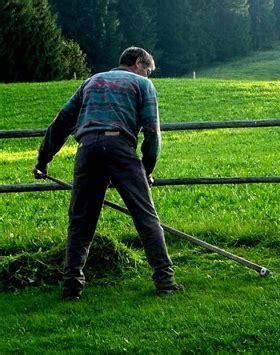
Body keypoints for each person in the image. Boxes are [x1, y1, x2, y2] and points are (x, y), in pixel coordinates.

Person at [33, 47, 182, 300]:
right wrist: (146, 170)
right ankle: (165, 282)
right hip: (120, 148)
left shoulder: (90, 82)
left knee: (81, 221)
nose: (149, 76)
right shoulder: (142, 85)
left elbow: (60, 123)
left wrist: (43, 160)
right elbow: (152, 133)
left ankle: (71, 286)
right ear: (138, 63)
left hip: (87, 149)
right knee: (145, 217)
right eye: (148, 70)